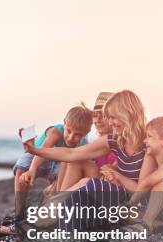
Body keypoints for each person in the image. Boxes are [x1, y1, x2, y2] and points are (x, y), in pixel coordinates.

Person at [23, 90, 156, 231]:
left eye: (112, 117)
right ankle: (45, 219)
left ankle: (40, 221)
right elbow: (71, 154)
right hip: (116, 192)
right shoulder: (115, 140)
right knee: (79, 166)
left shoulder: (149, 145)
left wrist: (116, 174)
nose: (109, 122)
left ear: (127, 114)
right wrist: (35, 150)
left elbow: (141, 192)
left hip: (133, 204)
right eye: (108, 118)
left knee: (90, 183)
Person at [0, 104, 92, 235]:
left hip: (60, 162)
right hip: (38, 156)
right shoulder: (55, 132)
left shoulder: (84, 143)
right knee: (22, 169)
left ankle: (53, 212)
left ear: (87, 132)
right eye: (69, 131)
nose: (71, 137)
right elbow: (42, 152)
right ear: (64, 123)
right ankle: (19, 216)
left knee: (68, 168)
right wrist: (32, 169)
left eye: (78, 135)